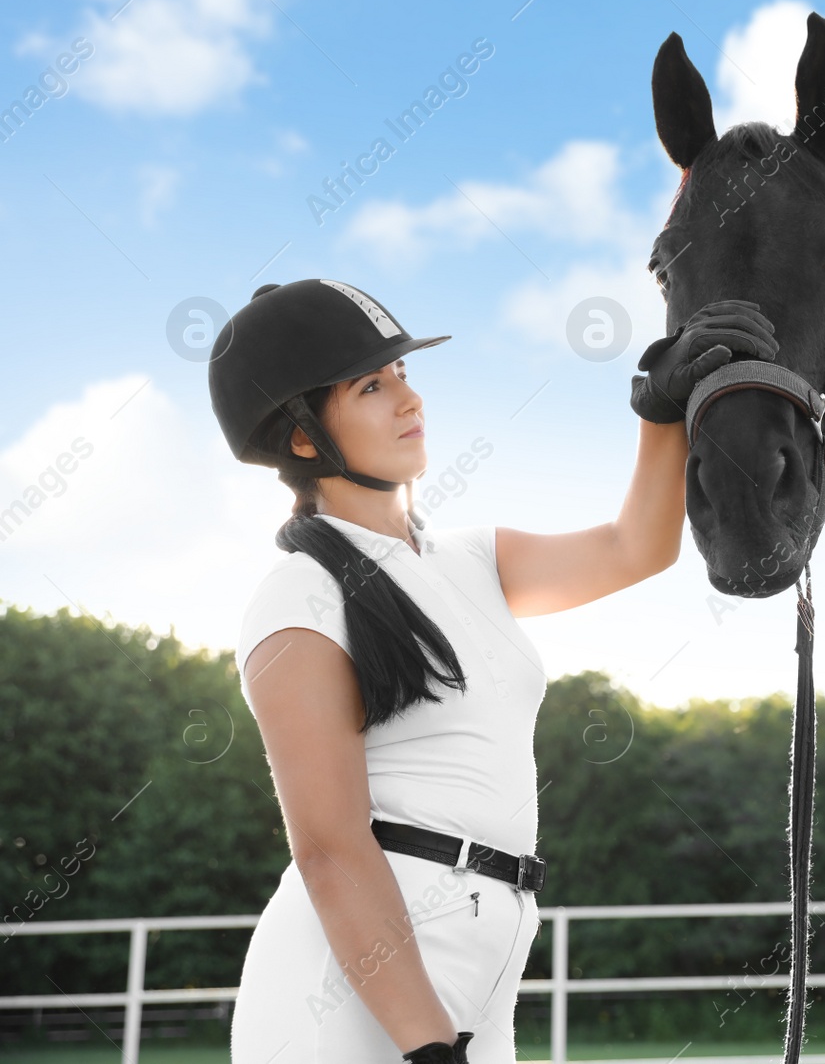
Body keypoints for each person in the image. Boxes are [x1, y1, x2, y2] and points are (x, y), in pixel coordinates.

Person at [209, 279, 778, 1062]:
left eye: (404, 374)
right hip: (354, 986)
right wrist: (428, 1045)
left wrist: (664, 404)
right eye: (372, 386)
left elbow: (635, 547)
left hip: (493, 953)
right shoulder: (298, 596)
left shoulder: (472, 557)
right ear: (304, 439)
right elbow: (331, 846)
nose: (409, 399)